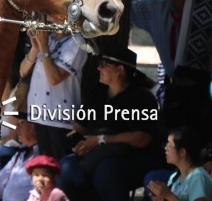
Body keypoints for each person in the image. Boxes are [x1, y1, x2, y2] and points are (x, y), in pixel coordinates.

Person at [131, 0, 212, 133]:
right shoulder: (156, 7)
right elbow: (125, 9)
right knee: (170, 137)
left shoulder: (208, 8)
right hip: (172, 88)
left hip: (203, 88)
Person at [56, 48, 162, 201]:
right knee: (66, 168)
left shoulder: (142, 98)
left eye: (104, 64)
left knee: (105, 170)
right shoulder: (97, 93)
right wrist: (79, 143)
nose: (99, 68)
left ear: (120, 69)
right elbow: (79, 126)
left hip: (131, 156)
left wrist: (101, 140)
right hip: (95, 154)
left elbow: (142, 138)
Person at [21, 30, 88, 161]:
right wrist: (35, 48)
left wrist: (44, 46)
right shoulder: (48, 37)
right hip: (39, 114)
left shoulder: (77, 42)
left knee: (60, 166)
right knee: (44, 166)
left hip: (60, 119)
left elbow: (54, 79)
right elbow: (22, 72)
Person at [0, 114, 41, 201]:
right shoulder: (19, 155)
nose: (17, 128)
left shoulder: (42, 157)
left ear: (34, 127)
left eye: (21, 123)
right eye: (18, 123)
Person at [147, 127, 212, 201]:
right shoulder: (174, 177)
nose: (165, 148)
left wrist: (168, 195)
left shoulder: (198, 177)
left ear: (182, 152)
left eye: (169, 145)